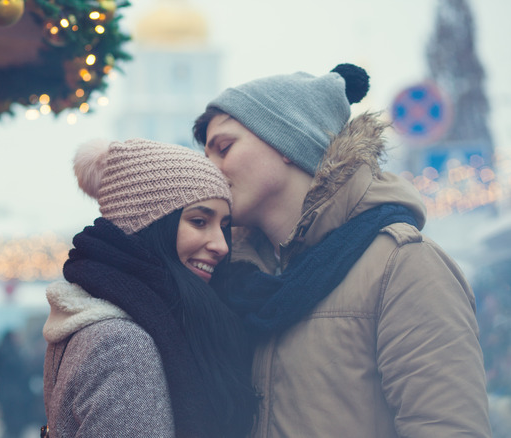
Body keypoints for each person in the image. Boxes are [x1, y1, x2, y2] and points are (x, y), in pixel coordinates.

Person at [192, 63, 492, 437]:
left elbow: (447, 427)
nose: (209, 171)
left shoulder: (403, 265)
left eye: (224, 148)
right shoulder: (234, 276)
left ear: (286, 141)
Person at [41, 138, 258, 438]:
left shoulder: (109, 316)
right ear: (150, 225)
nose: (221, 245)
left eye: (223, 226)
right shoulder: (123, 344)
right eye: (198, 221)